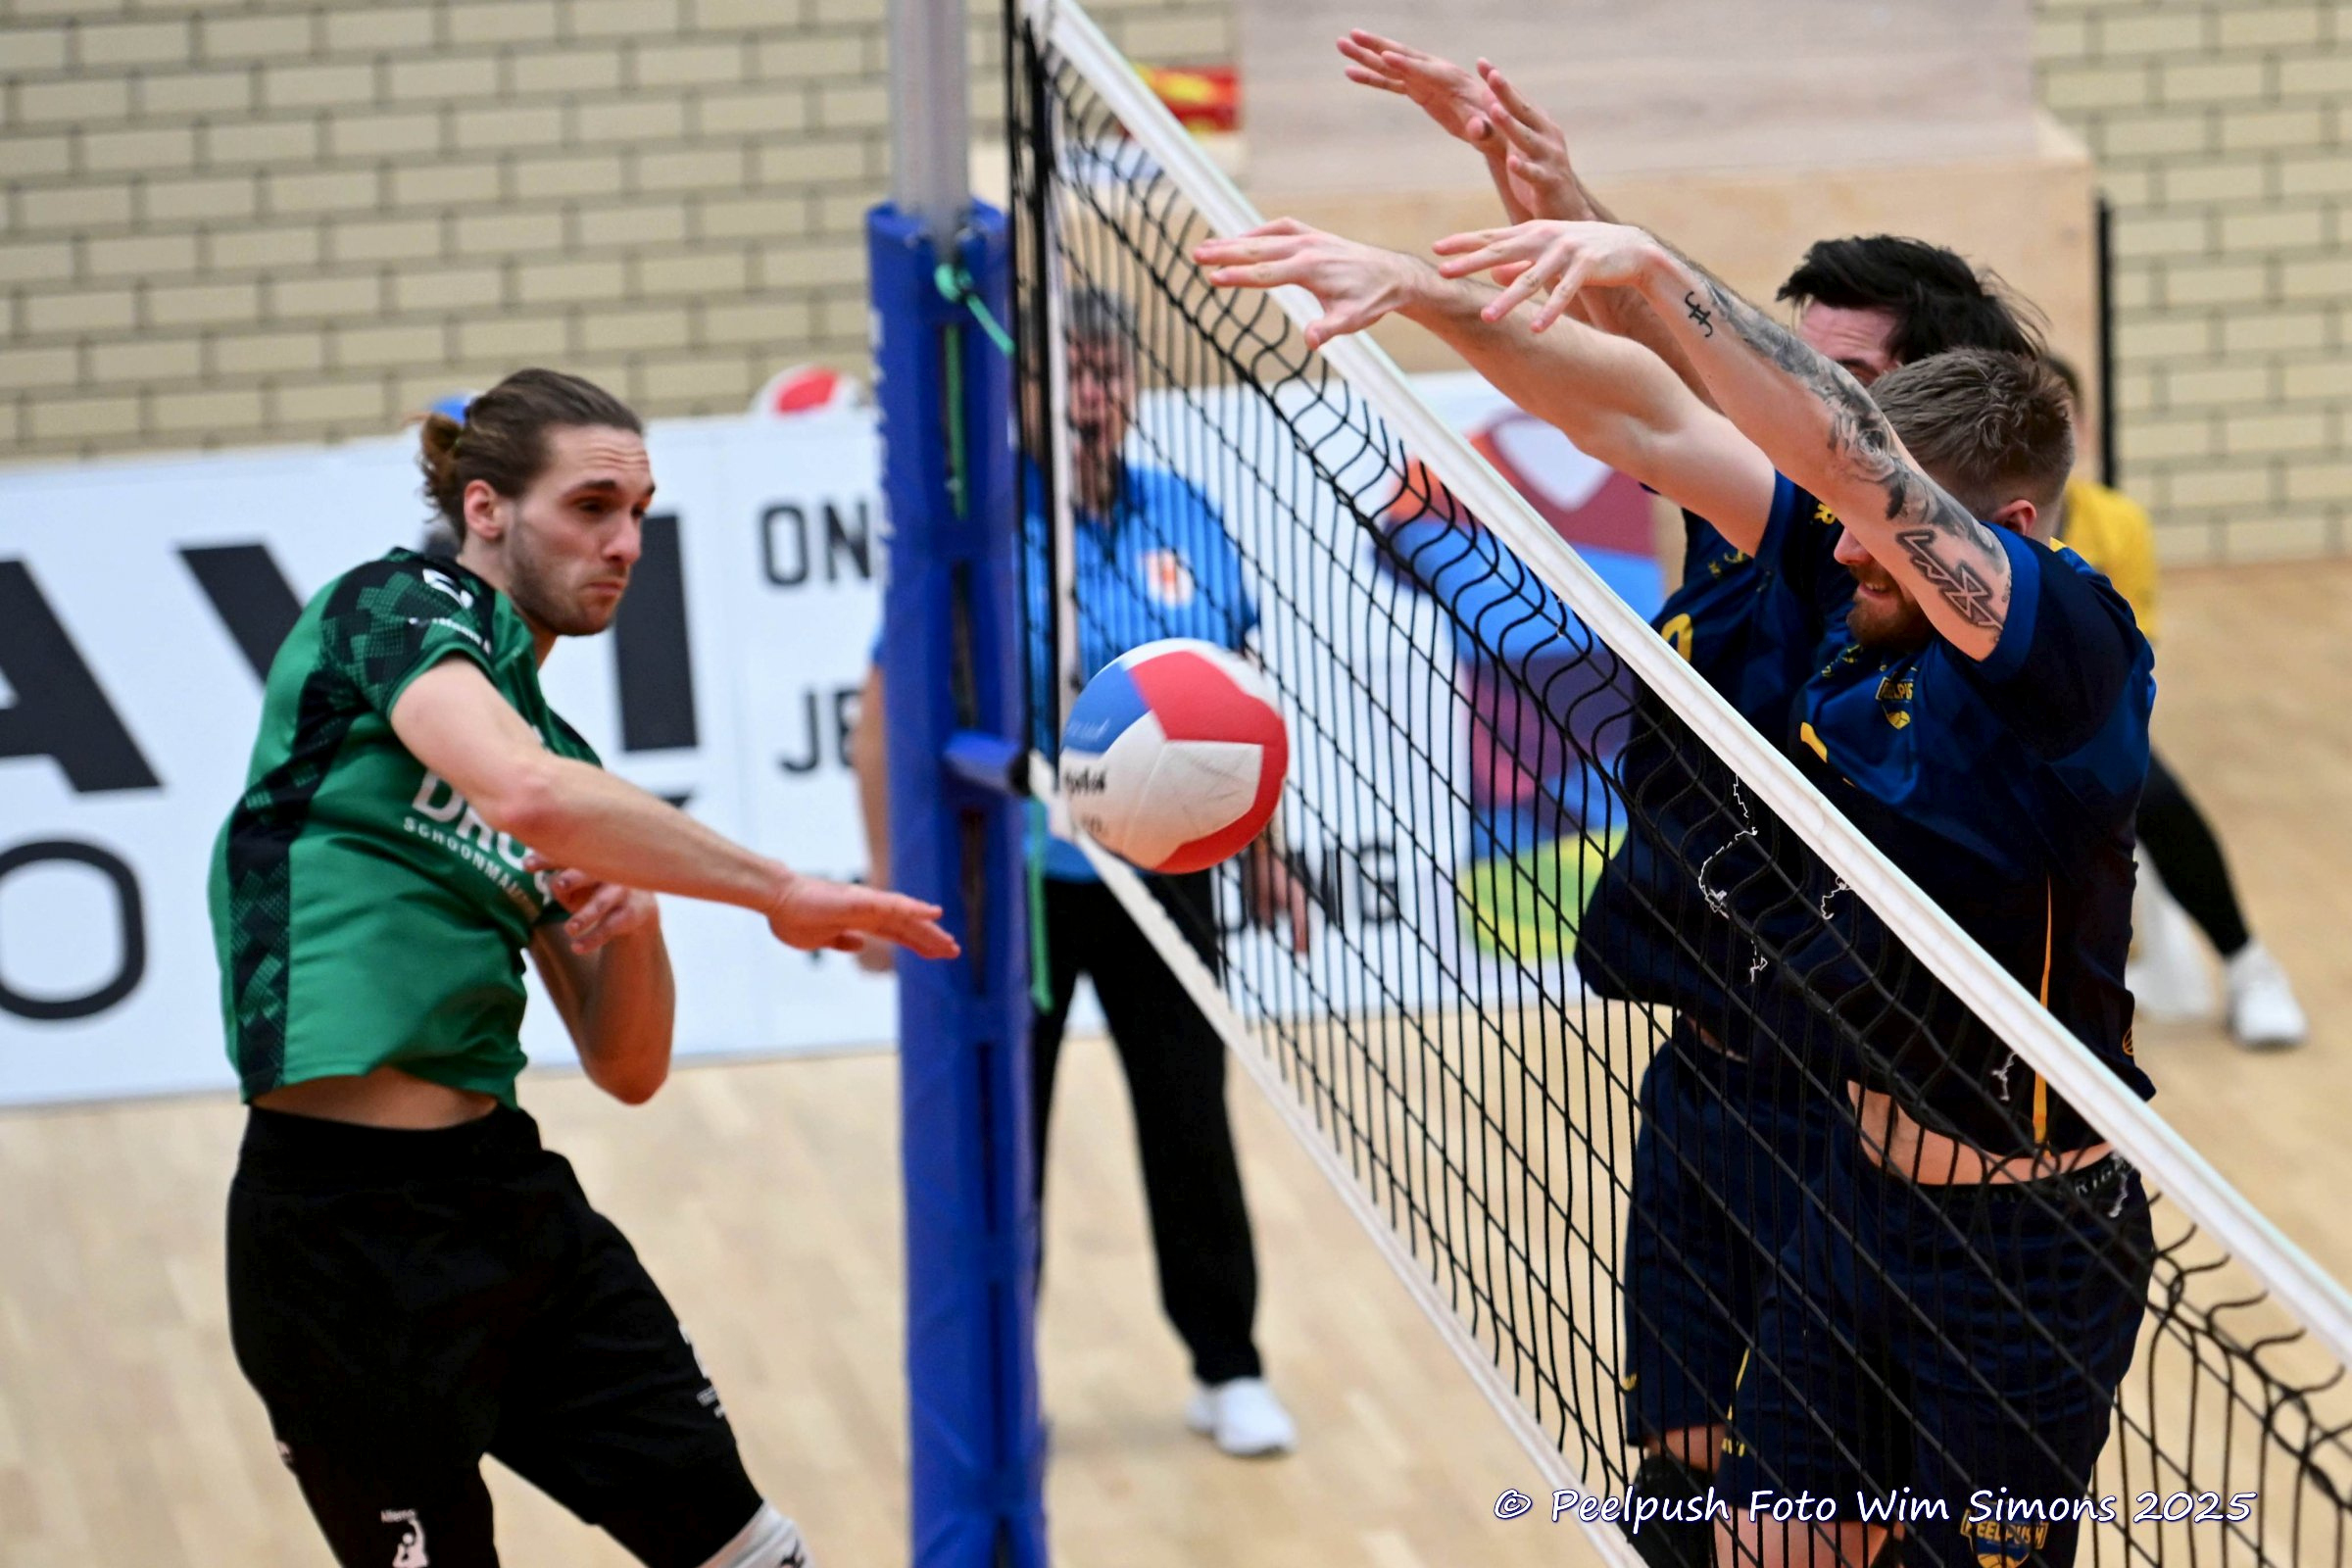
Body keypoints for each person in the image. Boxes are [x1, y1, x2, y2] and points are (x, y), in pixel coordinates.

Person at [1333, 40, 2058, 1561]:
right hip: (1704, 1079)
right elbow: (1664, 372)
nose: (1791, 399)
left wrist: (1461, 279)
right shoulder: (1753, 511)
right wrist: (1541, 197)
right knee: (1674, 1495)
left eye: (1845, 385)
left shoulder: (1906, 585)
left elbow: (1666, 402)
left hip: (1845, 1114)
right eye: (1790, 361)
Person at [212, 368, 959, 1568]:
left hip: (506, 1202)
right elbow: (522, 793)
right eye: (592, 506)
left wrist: (641, 919)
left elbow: (628, 1065)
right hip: (336, 1239)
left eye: (640, 514)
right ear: (486, 507)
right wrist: (779, 890)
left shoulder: (560, 755)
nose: (625, 544)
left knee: (755, 1554)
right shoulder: (389, 607)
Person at [850, 288, 1310, 1458]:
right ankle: (1001, 1388)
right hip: (1020, 886)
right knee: (1007, 1144)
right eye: (1070, 374)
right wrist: (886, 880)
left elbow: (1235, 697)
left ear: (1133, 387)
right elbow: (883, 711)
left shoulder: (1185, 511)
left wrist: (1266, 852)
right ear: (1024, 394)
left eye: (1110, 371)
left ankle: (1228, 1366)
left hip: (1169, 874)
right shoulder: (978, 536)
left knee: (1190, 1120)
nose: (1093, 395)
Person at [2042, 356, 2307, 1049]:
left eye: (2058, 418)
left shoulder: (2117, 522)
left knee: (2150, 790)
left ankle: (2249, 965)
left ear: (2084, 431)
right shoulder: (1971, 524)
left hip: (2084, 710)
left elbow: (2135, 655)